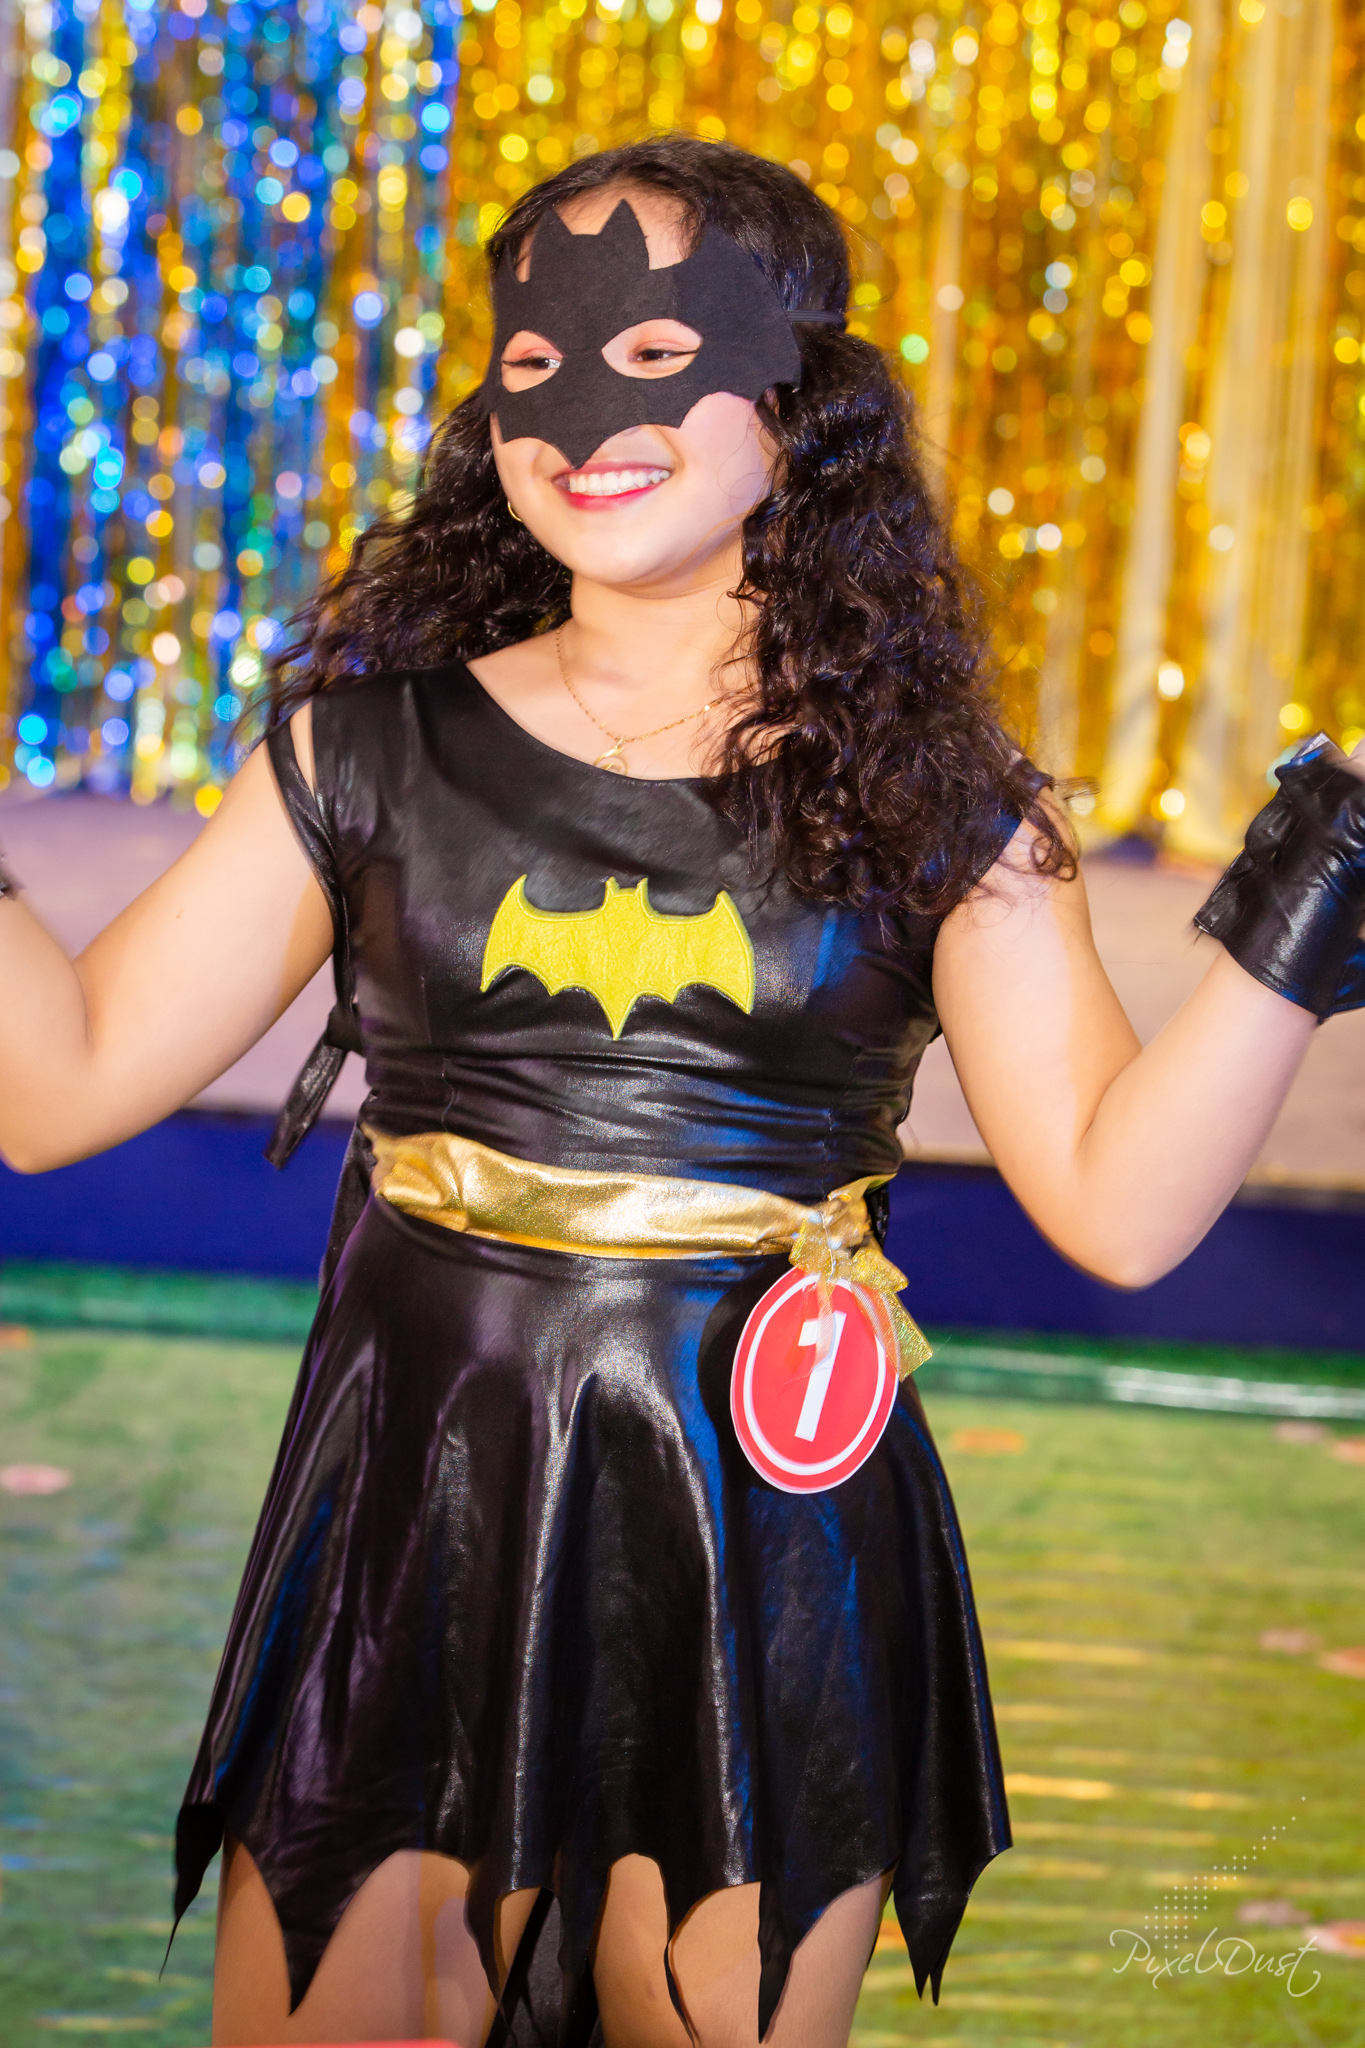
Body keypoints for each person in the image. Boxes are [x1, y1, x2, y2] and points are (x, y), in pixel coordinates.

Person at [2, 134, 1364, 2048]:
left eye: (657, 352)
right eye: (536, 364)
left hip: (756, 1546)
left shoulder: (933, 807)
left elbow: (1119, 1210)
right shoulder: (366, 750)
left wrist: (1311, 897)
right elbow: (52, 1089)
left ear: (795, 407)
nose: (586, 412)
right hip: (414, 1525)